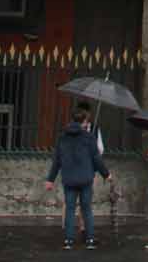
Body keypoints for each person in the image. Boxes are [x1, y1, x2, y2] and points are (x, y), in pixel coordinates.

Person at [44, 103, 110, 251]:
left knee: (70, 209)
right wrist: (107, 174)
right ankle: (90, 239)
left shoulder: (62, 138)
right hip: (86, 178)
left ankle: (68, 240)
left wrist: (50, 179)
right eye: (86, 121)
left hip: (69, 179)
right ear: (84, 121)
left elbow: (57, 160)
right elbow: (96, 159)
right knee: (86, 209)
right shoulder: (88, 137)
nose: (88, 123)